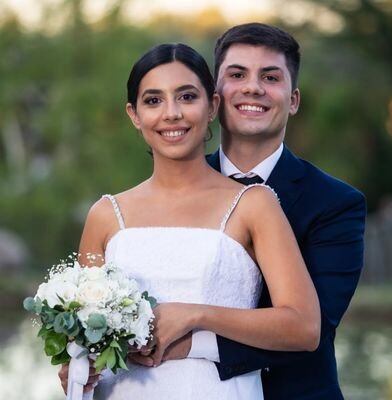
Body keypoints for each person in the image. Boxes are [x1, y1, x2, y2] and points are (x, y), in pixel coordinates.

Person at [59, 42, 320, 399]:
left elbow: (304, 327)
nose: (171, 113)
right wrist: (78, 366)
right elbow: (82, 339)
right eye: (153, 101)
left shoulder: (253, 204)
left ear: (212, 105)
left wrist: (197, 314)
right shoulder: (105, 215)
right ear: (134, 114)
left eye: (186, 97)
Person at [129, 24, 366, 399]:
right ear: (215, 98)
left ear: (293, 100)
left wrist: (190, 343)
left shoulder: (336, 204)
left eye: (270, 77)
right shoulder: (167, 187)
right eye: (237, 74)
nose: (253, 87)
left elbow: (312, 328)